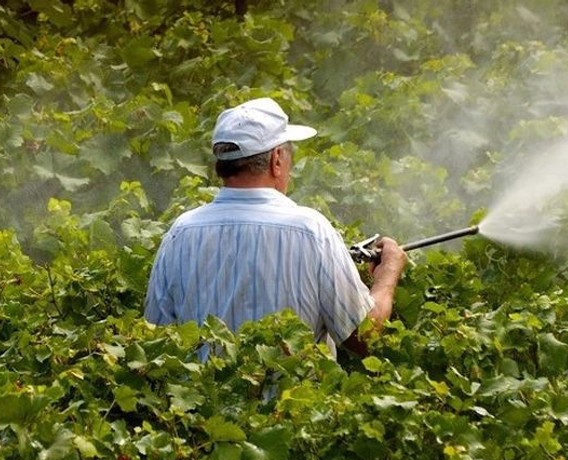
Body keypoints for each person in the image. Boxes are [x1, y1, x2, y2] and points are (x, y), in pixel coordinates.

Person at [144, 97, 406, 360]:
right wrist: (388, 273)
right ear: (276, 159)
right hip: (295, 401)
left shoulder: (180, 233)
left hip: (204, 400)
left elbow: (156, 341)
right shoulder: (311, 231)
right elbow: (365, 339)